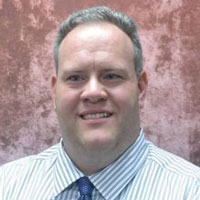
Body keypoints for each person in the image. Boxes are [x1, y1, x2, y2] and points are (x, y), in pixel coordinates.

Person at [0, 6, 199, 200]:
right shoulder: (6, 186)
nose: (93, 92)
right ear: (54, 90)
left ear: (140, 86)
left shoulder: (190, 190)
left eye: (111, 75)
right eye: (76, 78)